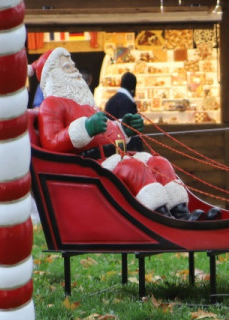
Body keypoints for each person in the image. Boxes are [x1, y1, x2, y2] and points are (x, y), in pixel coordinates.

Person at [30, 47, 215, 221]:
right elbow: (51, 143)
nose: (75, 72)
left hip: (113, 159)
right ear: (53, 74)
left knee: (160, 163)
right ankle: (162, 218)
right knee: (134, 169)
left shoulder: (86, 104)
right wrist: (86, 129)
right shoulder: (52, 105)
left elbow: (105, 130)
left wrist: (122, 128)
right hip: (90, 167)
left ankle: (181, 214)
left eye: (73, 66)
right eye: (67, 67)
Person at [104, 72, 143, 151]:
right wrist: (139, 150)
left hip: (109, 142)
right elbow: (128, 128)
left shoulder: (112, 99)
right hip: (121, 147)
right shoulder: (126, 101)